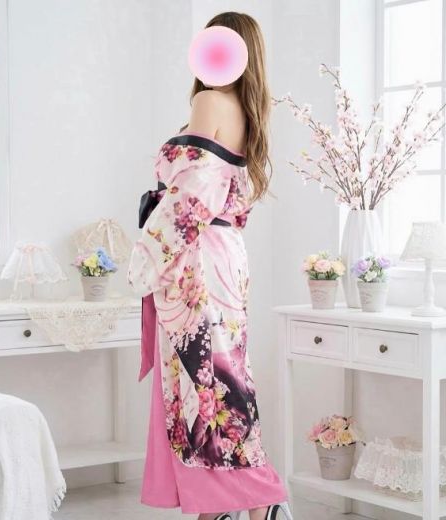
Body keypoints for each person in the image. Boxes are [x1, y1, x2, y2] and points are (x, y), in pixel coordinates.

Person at [127, 11, 293, 520]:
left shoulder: (208, 101)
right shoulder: (247, 112)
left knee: (205, 381)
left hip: (195, 256)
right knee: (225, 375)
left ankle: (251, 500)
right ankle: (233, 502)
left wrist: (148, 255)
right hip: (226, 256)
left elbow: (189, 197)